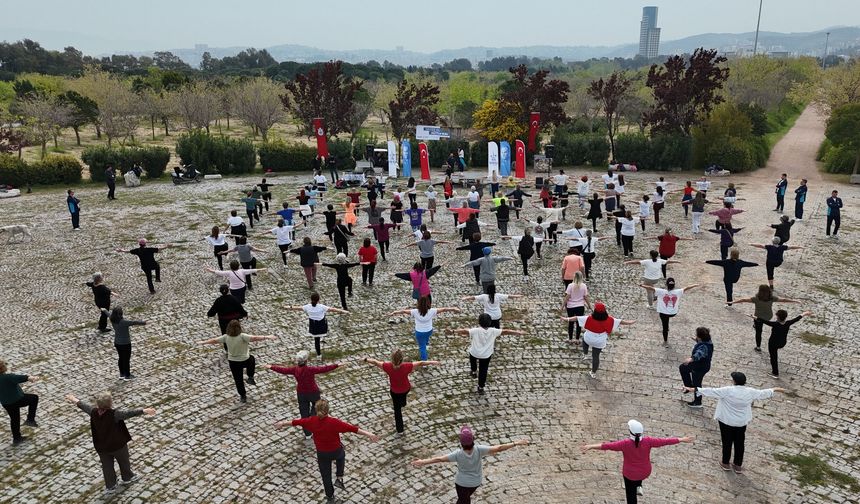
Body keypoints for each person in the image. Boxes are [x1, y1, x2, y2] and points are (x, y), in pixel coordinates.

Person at [276, 399, 379, 504]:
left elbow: (296, 422)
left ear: (316, 410)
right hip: (335, 451)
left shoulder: (311, 421)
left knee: (326, 476)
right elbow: (353, 429)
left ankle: (330, 496)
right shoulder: (334, 422)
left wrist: (282, 423)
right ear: (328, 410)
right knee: (341, 454)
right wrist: (369, 434)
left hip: (322, 454)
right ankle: (339, 477)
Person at [685, 372, 785, 474]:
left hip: (726, 421)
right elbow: (763, 393)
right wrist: (774, 389)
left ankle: (725, 463)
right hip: (741, 422)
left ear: (734, 381)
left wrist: (695, 389)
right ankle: (738, 465)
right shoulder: (750, 392)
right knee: (739, 443)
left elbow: (712, 391)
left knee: (727, 442)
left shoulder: (728, 390)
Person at [580, 420, 693, 504]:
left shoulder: (624, 444)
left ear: (630, 432)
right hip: (645, 472)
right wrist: (682, 439)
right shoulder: (649, 441)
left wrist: (590, 446)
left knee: (631, 496)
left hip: (630, 474)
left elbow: (606, 446)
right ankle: (639, 486)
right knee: (639, 477)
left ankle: (636, 489)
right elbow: (665, 441)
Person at [65, 392, 155, 494]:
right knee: (123, 461)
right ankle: (127, 477)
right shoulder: (114, 414)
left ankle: (111, 486)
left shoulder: (93, 412)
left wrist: (73, 398)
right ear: (110, 403)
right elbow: (129, 413)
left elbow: (83, 405)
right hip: (117, 445)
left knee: (107, 466)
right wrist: (144, 410)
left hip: (101, 447)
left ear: (98, 404)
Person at [411, 426, 528, 504]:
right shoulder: (480, 450)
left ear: (461, 443)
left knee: (464, 501)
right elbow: (499, 448)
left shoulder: (457, 454)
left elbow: (439, 459)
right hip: (475, 483)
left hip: (461, 483)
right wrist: (516, 443)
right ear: (473, 440)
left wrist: (422, 462)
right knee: (463, 501)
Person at [263, 351, 339, 439]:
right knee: (316, 407)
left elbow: (283, 370)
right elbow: (324, 369)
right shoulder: (310, 369)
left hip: (301, 394)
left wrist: (271, 367)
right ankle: (314, 420)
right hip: (313, 392)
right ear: (306, 360)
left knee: (304, 414)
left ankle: (307, 434)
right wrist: (336, 365)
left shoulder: (295, 370)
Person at [196, 320, 277, 403]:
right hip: (245, 360)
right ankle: (250, 376)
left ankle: (243, 396)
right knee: (252, 360)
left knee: (238, 379)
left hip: (233, 362)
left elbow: (214, 340)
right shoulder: (242, 336)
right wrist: (267, 337)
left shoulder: (226, 337)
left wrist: (203, 342)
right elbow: (254, 338)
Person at [363, 350, 441, 434]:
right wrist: (433, 362)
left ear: (392, 359)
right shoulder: (407, 366)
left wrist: (365, 359)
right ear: (402, 359)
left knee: (397, 411)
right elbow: (421, 363)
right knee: (402, 401)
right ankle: (403, 403)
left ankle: (400, 430)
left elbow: (375, 362)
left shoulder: (387, 366)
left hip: (394, 391)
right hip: (405, 389)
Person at [453, 314, 526, 394]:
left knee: (472, 360)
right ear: (490, 322)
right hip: (486, 355)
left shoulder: (475, 330)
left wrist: (454, 331)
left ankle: (473, 371)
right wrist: (517, 332)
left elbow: (464, 331)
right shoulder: (493, 331)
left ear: (479, 322)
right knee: (483, 370)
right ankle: (481, 387)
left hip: (475, 352)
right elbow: (506, 331)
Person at [561, 303, 635, 379]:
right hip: (600, 340)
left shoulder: (589, 318)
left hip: (589, 338)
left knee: (584, 339)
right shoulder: (610, 319)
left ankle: (585, 354)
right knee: (596, 356)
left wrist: (566, 319)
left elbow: (576, 318)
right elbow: (621, 322)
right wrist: (630, 322)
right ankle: (593, 372)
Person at [733, 285, 799, 352]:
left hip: (758, 318)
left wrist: (732, 302)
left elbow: (743, 300)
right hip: (768, 317)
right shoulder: (772, 298)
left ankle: (758, 347)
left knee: (758, 332)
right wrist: (794, 301)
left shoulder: (756, 299)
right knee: (766, 323)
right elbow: (783, 300)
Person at [389, 298, 460, 360]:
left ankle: (424, 361)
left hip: (419, 332)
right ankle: (426, 345)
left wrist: (394, 312)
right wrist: (453, 308)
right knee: (426, 340)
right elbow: (444, 309)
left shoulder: (415, 311)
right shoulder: (432, 311)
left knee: (422, 347)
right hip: (429, 331)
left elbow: (404, 311)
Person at [286, 293, 349, 358]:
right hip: (322, 325)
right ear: (318, 300)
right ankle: (322, 340)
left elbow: (298, 308)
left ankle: (319, 355)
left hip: (313, 326)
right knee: (322, 328)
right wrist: (343, 311)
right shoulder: (321, 307)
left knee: (316, 340)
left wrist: (289, 307)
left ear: (311, 299)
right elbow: (333, 309)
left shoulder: (307, 307)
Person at [641, 278, 701, 343]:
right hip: (673, 313)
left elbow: (650, 288)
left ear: (666, 285)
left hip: (663, 313)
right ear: (674, 285)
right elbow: (687, 288)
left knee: (665, 326)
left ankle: (665, 340)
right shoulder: (678, 292)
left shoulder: (661, 291)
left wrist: (642, 285)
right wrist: (694, 285)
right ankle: (667, 327)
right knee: (667, 317)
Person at [757, 310, 814, 378]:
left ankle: (775, 373)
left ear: (778, 317)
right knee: (774, 353)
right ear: (785, 317)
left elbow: (764, 321)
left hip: (773, 343)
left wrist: (754, 317)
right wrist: (805, 313)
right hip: (782, 343)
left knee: (773, 357)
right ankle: (773, 359)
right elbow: (797, 318)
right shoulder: (788, 323)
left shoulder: (775, 324)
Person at [0, 360, 39, 445]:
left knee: (14, 419)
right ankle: (30, 419)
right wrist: (31, 378)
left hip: (6, 403)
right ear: (2, 368)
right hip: (17, 400)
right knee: (34, 398)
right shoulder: (8, 377)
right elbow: (20, 378)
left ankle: (17, 438)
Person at [103, 306, 146, 380]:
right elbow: (134, 322)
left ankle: (121, 374)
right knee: (126, 359)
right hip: (125, 343)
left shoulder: (112, 319)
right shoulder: (123, 322)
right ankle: (127, 375)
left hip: (117, 343)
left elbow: (108, 314)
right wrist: (144, 322)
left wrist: (104, 310)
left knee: (121, 358)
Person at [679, 327, 714, 407]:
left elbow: (699, 353)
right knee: (683, 368)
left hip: (700, 368)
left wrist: (691, 359)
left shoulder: (704, 346)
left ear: (700, 337)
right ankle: (689, 386)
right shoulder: (707, 341)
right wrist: (696, 340)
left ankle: (698, 402)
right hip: (699, 365)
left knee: (697, 384)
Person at [562, 271, 590, 343]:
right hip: (580, 306)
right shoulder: (584, 286)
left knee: (570, 322)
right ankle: (577, 339)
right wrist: (589, 305)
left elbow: (567, 297)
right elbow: (586, 297)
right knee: (579, 323)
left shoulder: (570, 286)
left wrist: (562, 306)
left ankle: (570, 338)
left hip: (570, 306)